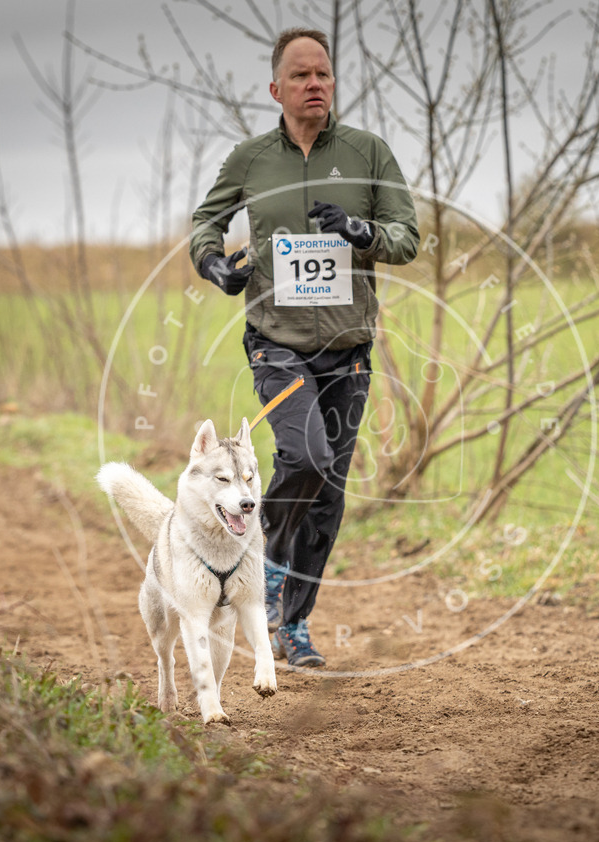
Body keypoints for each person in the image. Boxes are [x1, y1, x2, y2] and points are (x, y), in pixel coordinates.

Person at [190, 27, 419, 667]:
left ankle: (292, 627)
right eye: (301, 76)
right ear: (276, 89)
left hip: (347, 349)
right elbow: (206, 224)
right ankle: (260, 562)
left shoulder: (368, 153)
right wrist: (215, 266)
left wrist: (360, 231)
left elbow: (407, 237)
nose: (315, 84)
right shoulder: (251, 159)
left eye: (323, 74)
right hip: (277, 344)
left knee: (331, 492)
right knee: (307, 456)